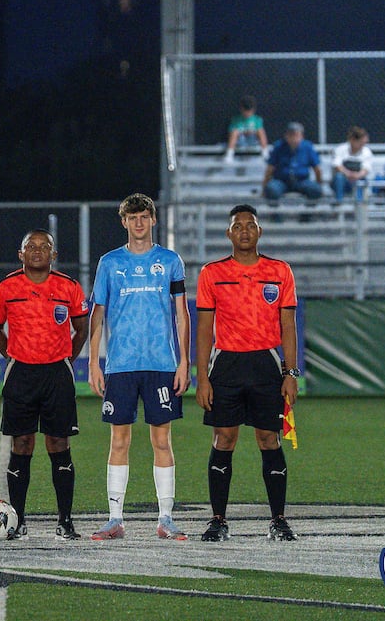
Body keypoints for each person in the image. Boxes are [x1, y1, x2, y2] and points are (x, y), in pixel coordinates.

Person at [88, 193, 191, 542]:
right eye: (132, 217)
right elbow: (97, 316)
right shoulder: (109, 263)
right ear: (123, 222)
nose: (139, 223)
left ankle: (166, 518)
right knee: (119, 440)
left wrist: (183, 360)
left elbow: (181, 314)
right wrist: (94, 363)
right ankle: (115, 518)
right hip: (121, 364)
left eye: (144, 216)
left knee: (162, 440)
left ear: (153, 220)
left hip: (161, 363)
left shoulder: (170, 261)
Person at [195, 204, 299, 543]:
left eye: (250, 225)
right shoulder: (212, 273)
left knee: (269, 439)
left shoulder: (280, 271)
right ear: (228, 233)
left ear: (259, 231)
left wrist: (291, 372)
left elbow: (288, 325)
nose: (243, 230)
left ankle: (279, 520)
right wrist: (203, 378)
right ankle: (217, 520)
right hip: (226, 365)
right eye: (237, 226)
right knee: (223, 439)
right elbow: (205, 329)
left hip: (266, 366)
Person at [0, 229, 89, 540]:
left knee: (59, 444)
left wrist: (64, 360)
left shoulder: (69, 287)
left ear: (53, 255)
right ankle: (17, 520)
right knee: (22, 444)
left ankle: (66, 520)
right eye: (30, 246)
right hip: (22, 374)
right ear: (20, 254)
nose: (37, 251)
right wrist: (14, 356)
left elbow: (81, 329)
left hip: (56, 374)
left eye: (44, 246)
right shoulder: (6, 287)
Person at [262, 122, 323, 206]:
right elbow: (270, 168)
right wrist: (264, 186)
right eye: (291, 135)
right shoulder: (278, 147)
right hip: (282, 181)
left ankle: (306, 217)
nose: (294, 138)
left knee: (315, 189)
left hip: (302, 181)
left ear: (302, 136)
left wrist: (319, 184)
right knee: (271, 188)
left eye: (296, 135)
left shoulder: (307, 147)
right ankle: (276, 217)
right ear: (286, 136)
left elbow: (317, 169)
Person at [329, 126, 373, 203]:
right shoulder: (340, 149)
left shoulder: (366, 152)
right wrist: (348, 174)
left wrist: (357, 176)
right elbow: (337, 165)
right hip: (343, 182)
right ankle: (339, 204)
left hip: (357, 181)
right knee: (339, 177)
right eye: (360, 143)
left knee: (361, 181)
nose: (362, 145)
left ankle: (359, 205)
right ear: (352, 140)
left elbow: (366, 169)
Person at [223, 95, 270, 163]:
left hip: (252, 141)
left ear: (253, 110)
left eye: (249, 111)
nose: (247, 113)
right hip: (241, 141)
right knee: (234, 132)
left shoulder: (257, 119)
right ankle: (229, 155)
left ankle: (265, 154)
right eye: (245, 111)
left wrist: (252, 132)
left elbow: (260, 132)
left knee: (261, 131)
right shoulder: (235, 119)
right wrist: (243, 132)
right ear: (241, 109)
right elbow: (231, 133)